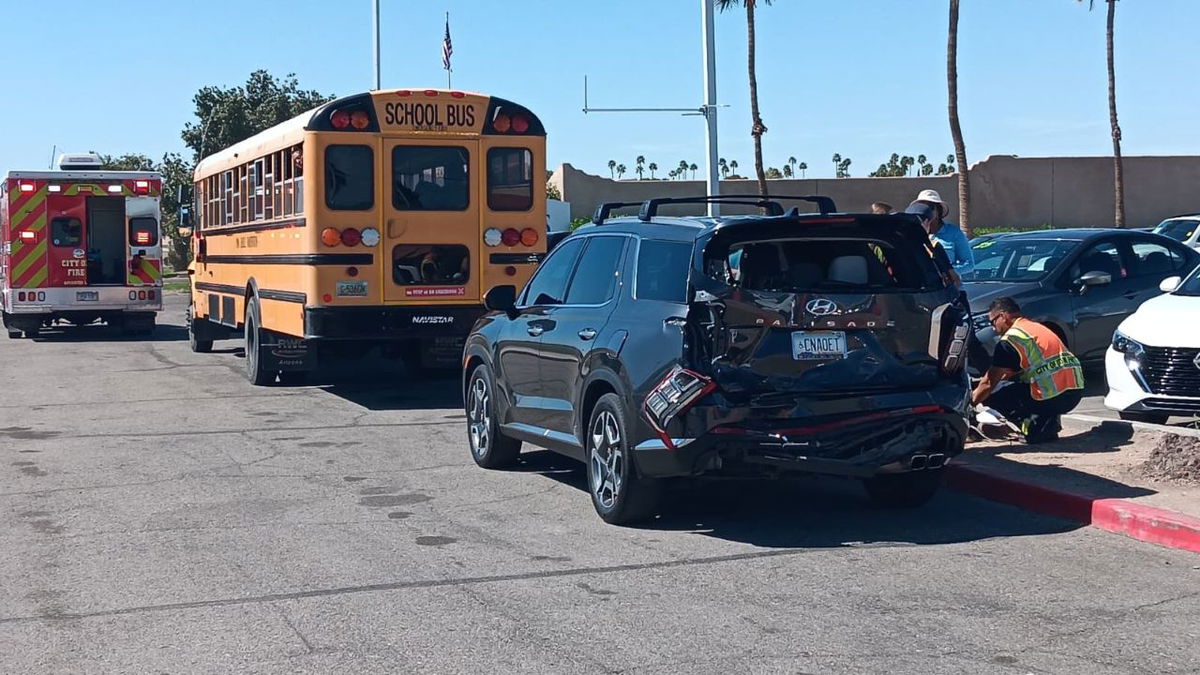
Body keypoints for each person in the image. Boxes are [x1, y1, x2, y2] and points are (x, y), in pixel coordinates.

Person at [971, 297, 1084, 443]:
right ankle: (1047, 422)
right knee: (1011, 385)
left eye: (992, 322)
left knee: (992, 393)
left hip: (1053, 395)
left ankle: (1033, 426)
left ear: (1003, 316)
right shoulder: (1035, 327)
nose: (993, 328)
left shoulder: (1010, 340)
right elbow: (1011, 373)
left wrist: (969, 405)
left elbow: (988, 384)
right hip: (1075, 391)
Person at [905, 189, 974, 275]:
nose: (925, 211)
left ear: (938, 210)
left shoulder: (954, 233)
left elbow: (969, 264)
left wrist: (947, 271)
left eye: (930, 207)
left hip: (947, 283)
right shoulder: (912, 234)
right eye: (921, 207)